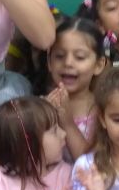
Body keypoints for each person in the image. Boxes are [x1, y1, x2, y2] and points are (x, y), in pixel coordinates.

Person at [45, 16, 107, 159]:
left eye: (80, 57)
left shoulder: (105, 111)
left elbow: (92, 164)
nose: (68, 63)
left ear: (99, 65)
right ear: (49, 62)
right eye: (59, 56)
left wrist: (67, 124)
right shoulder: (38, 108)